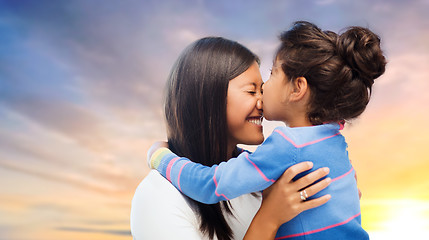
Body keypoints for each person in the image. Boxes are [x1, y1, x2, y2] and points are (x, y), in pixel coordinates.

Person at [149, 21, 387, 239]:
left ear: (297, 88)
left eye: (272, 74)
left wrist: (161, 158)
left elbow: (211, 185)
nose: (262, 95)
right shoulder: (333, 137)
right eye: (251, 91)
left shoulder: (288, 144)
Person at [131, 36, 332, 240]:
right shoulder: (157, 196)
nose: (263, 102)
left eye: (262, 90)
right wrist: (269, 219)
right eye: (251, 91)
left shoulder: (261, 182)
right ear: (209, 98)